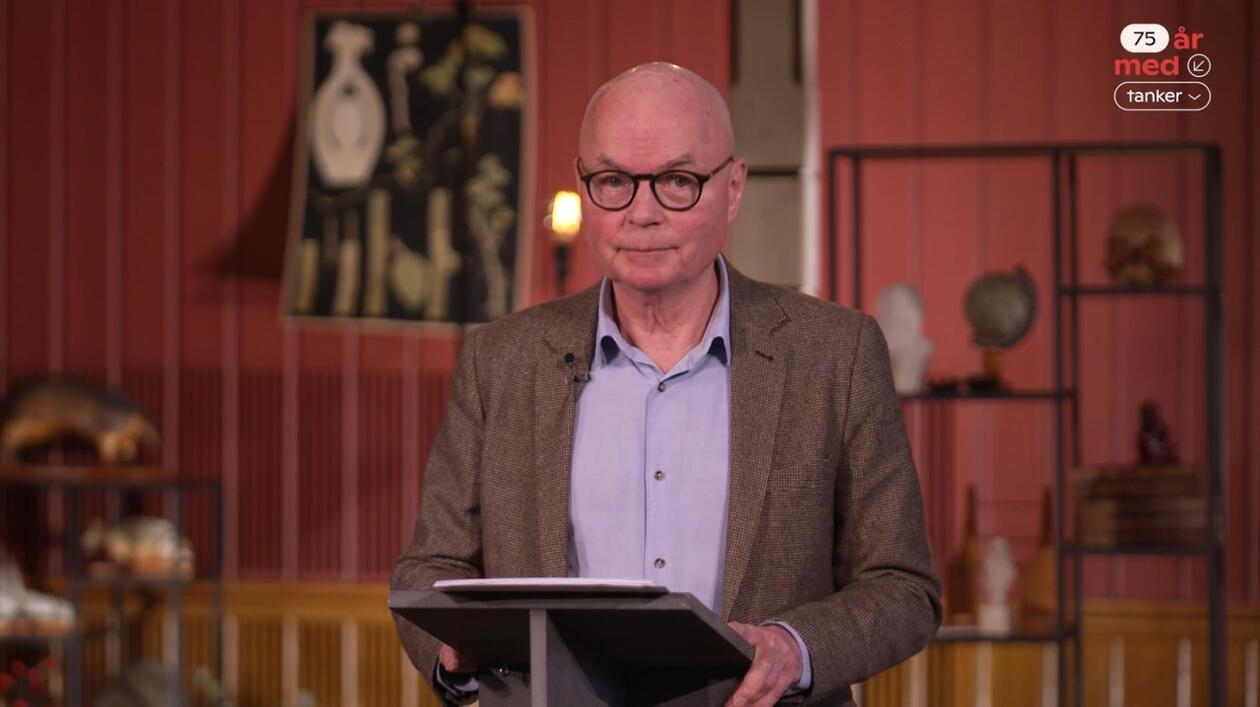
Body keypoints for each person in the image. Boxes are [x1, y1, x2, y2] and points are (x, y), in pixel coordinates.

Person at [391, 62, 941, 707]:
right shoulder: (501, 359)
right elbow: (431, 567)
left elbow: (902, 585)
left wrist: (793, 648)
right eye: (614, 182)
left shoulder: (834, 354)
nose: (642, 213)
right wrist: (454, 652)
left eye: (678, 181)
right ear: (582, 187)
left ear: (733, 188)